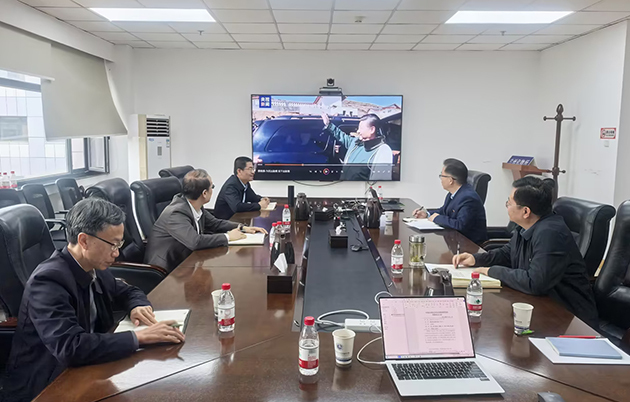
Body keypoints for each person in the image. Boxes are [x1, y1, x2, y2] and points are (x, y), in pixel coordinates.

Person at [2, 198, 185, 402]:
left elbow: (127, 291)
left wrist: (138, 305)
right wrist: (139, 337)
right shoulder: (48, 281)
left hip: (89, 364)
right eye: (113, 244)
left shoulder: (93, 266)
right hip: (48, 383)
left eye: (119, 244)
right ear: (84, 241)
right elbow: (70, 347)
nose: (117, 253)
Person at [453, 176, 599, 329]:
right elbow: (507, 253)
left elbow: (535, 282)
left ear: (525, 211)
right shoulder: (527, 226)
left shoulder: (550, 234)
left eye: (509, 202)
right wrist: (476, 259)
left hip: (569, 318)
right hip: (539, 305)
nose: (507, 206)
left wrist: (491, 271)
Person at [144, 169, 267, 271]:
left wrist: (242, 227)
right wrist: (228, 237)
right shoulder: (176, 213)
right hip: (166, 270)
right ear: (204, 193)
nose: (212, 190)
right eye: (212, 187)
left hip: (185, 261)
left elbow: (215, 223)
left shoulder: (194, 206)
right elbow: (195, 242)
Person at [413, 159, 487, 245]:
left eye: (442, 176)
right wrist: (427, 214)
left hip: (470, 246)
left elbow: (460, 225)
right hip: (456, 242)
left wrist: (436, 218)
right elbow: (444, 210)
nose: (441, 179)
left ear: (450, 180)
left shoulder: (468, 198)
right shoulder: (455, 193)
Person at [321, 112, 393, 181]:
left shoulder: (382, 151)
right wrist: (329, 125)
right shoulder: (355, 143)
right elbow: (341, 136)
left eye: (361, 128)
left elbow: (380, 181)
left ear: (372, 130)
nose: (358, 131)